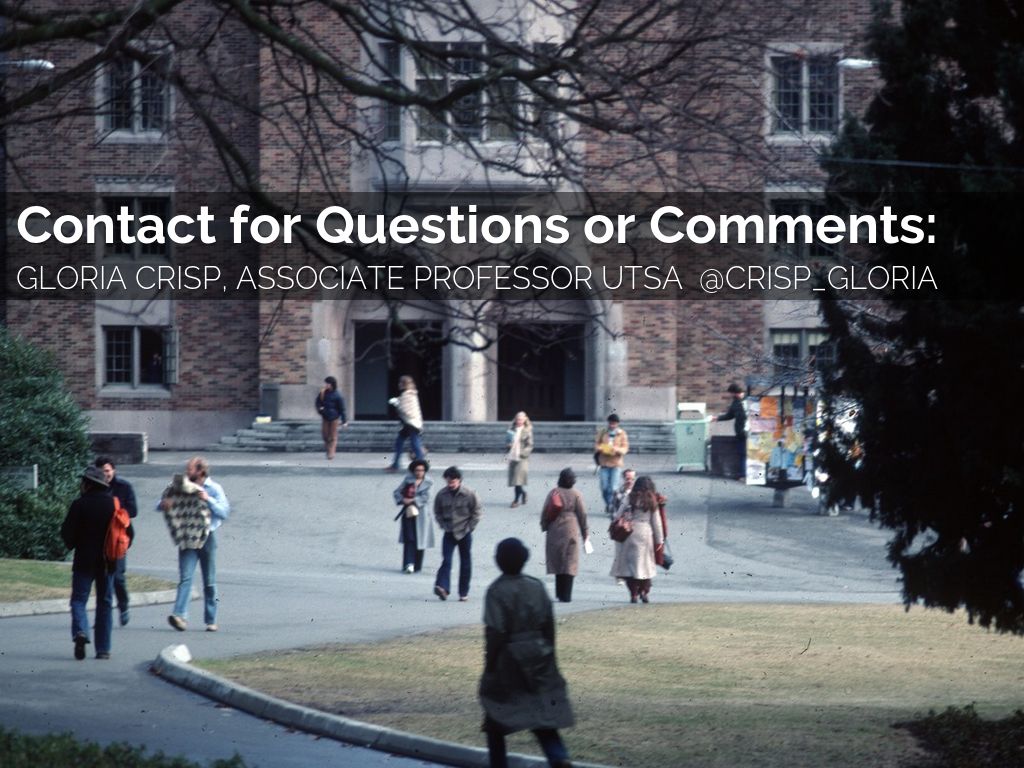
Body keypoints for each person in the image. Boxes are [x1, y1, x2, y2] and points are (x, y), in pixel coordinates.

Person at [479, 538, 574, 768]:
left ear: (498, 561)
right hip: (539, 655)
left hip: (509, 659)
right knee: (542, 717)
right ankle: (558, 756)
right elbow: (549, 625)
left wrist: (490, 665)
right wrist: (549, 654)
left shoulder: (496, 590)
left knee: (496, 718)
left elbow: (495, 633)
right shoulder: (536, 586)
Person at [161, 456, 231, 632]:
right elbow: (164, 500)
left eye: (190, 469)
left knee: (209, 580)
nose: (186, 472)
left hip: (207, 536)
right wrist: (164, 504)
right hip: (187, 536)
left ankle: (211, 620)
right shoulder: (181, 485)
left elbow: (224, 512)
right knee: (185, 577)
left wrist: (208, 499)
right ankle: (179, 616)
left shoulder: (214, 488)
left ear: (200, 471)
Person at [60, 465, 118, 660]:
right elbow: (128, 533)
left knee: (78, 600)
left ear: (88, 485)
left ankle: (81, 631)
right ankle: (103, 649)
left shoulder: (79, 504)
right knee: (105, 603)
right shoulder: (113, 504)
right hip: (108, 562)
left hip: (84, 561)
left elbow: (67, 533)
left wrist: (74, 543)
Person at [95, 456, 138, 627]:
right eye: (101, 471)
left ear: (113, 470)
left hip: (119, 537)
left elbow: (133, 510)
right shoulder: (94, 487)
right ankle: (102, 616)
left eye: (107, 471)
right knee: (103, 578)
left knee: (118, 576)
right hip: (99, 538)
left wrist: (115, 511)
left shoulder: (124, 487)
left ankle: (123, 604)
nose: (105, 474)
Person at [609, 475, 664, 603]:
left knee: (630, 568)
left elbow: (618, 515)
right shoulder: (652, 500)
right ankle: (644, 591)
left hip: (629, 532)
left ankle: (633, 594)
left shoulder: (630, 497)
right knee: (645, 566)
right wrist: (659, 540)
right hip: (645, 533)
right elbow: (656, 523)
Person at [432, 466, 482, 602]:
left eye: (453, 482)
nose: (450, 484)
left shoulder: (469, 494)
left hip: (464, 532)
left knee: (465, 563)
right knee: (446, 560)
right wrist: (443, 525)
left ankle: (463, 592)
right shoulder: (441, 495)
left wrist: (470, 527)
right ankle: (442, 588)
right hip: (449, 532)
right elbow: (437, 512)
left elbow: (477, 512)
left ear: (459, 480)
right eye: (448, 482)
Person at [540, 468, 589, 603]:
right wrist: (585, 532)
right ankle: (566, 595)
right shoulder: (576, 494)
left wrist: (544, 526)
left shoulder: (554, 492)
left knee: (557, 561)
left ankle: (559, 593)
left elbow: (545, 511)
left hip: (555, 528)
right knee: (569, 562)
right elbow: (582, 515)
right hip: (571, 528)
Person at [393, 459, 436, 573]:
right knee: (409, 538)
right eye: (417, 470)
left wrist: (413, 500)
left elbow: (427, 497)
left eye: (422, 470)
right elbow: (397, 492)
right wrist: (403, 500)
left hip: (422, 514)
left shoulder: (429, 482)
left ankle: (417, 565)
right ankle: (408, 563)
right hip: (408, 512)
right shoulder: (408, 480)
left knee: (420, 539)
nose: (419, 472)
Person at [386, 374, 425, 471]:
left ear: (404, 384)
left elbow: (406, 410)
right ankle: (396, 464)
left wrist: (397, 403)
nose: (399, 385)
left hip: (412, 423)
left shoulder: (408, 395)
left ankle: (421, 465)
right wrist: (398, 401)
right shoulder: (409, 394)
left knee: (415, 444)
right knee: (401, 442)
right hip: (409, 423)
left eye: (400, 383)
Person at [594, 413, 629, 514]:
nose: (612, 425)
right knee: (604, 488)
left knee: (613, 488)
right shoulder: (602, 432)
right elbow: (596, 445)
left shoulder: (622, 434)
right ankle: (609, 504)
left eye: (614, 423)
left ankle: (612, 506)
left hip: (616, 464)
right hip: (604, 463)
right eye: (610, 423)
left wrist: (616, 449)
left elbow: (625, 448)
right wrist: (602, 448)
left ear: (617, 424)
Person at [716, 380, 747, 479]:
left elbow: (754, 414)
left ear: (735, 392)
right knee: (742, 453)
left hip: (747, 431)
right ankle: (742, 474)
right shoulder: (736, 402)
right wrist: (717, 418)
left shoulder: (746, 401)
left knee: (745, 453)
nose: (731, 395)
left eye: (731, 393)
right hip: (740, 432)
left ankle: (744, 474)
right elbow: (730, 415)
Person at [315, 376, 348, 460]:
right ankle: (328, 450)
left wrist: (344, 421)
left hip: (334, 418)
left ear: (332, 384)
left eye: (327, 383)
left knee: (333, 436)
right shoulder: (322, 393)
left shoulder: (338, 395)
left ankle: (331, 453)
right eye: (325, 383)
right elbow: (318, 402)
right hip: (325, 417)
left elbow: (342, 409)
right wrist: (320, 409)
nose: (326, 385)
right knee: (325, 435)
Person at [505, 411, 533, 507]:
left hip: (522, 458)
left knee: (517, 480)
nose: (519, 421)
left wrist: (523, 453)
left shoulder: (527, 430)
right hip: (513, 457)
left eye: (521, 419)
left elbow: (530, 445)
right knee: (516, 481)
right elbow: (507, 441)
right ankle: (523, 493)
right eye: (517, 419)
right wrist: (508, 445)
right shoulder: (511, 429)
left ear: (525, 419)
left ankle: (516, 501)